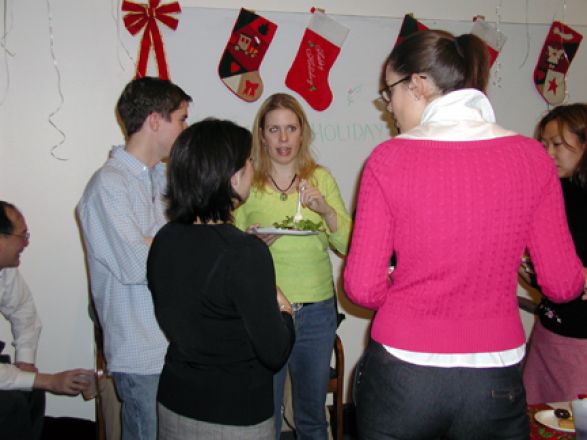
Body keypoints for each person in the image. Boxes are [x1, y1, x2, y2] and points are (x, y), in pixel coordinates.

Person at [343, 29, 585, 440]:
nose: (390, 110)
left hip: (404, 374)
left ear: (417, 84)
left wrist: (408, 291)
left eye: (390, 95)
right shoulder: (532, 159)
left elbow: (362, 289)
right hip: (493, 380)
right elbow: (563, 284)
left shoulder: (390, 158)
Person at [146, 118, 295, 440]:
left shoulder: (164, 239)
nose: (253, 169)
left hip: (175, 401)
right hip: (233, 413)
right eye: (249, 161)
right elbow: (275, 352)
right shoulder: (244, 252)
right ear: (231, 177)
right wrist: (285, 312)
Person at [77, 76, 192, 440]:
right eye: (181, 118)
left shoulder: (163, 179)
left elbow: (184, 245)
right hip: (141, 351)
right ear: (155, 121)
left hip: (173, 346)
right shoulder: (108, 185)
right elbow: (136, 264)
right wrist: (167, 243)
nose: (185, 129)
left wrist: (155, 240)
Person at [234, 92, 352, 439]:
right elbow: (228, 246)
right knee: (264, 415)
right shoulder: (247, 182)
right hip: (264, 309)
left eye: (290, 128)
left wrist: (327, 211)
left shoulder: (321, 179)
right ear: (262, 134)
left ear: (303, 133)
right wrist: (251, 245)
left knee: (312, 416)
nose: (283, 139)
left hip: (317, 311)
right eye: (274, 129)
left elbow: (346, 245)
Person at [0, 201, 92, 440]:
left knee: (30, 394)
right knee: (10, 407)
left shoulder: (4, 271)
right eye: (23, 236)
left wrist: (25, 360)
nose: (26, 243)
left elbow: (23, 310)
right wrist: (49, 381)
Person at [523, 103, 587, 404]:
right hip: (549, 332)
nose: (548, 153)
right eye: (544, 143)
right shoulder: (553, 192)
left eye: (558, 144)